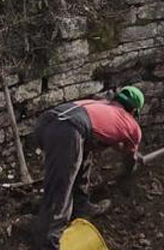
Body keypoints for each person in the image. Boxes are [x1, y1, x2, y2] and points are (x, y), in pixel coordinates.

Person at [31, 85, 146, 250]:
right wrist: (128, 173)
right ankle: (51, 241)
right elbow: (129, 158)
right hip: (68, 129)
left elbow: (105, 135)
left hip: (48, 122)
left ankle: (80, 205)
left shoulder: (99, 105)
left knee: (84, 153)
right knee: (61, 185)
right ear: (134, 111)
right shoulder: (133, 126)